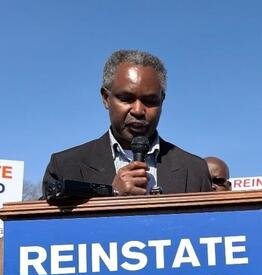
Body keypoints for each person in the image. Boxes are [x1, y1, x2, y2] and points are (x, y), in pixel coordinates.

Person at [42, 49, 212, 197]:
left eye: (150, 101)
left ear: (162, 101)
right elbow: (49, 223)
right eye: (126, 98)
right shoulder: (65, 166)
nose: (138, 110)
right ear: (106, 98)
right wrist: (112, 195)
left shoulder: (194, 170)